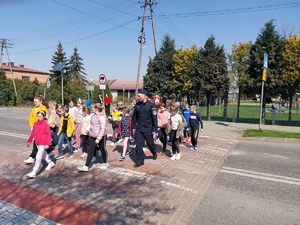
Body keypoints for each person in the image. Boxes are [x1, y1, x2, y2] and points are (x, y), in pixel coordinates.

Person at [78, 103, 108, 171]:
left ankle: (105, 162)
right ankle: (86, 166)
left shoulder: (102, 117)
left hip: (101, 136)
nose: (91, 109)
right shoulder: (92, 115)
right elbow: (91, 124)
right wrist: (89, 129)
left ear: (96, 109)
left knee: (102, 149)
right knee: (90, 150)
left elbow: (102, 129)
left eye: (93, 108)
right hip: (92, 135)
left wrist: (98, 138)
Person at [132, 89, 157, 167]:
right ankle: (140, 160)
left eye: (139, 95)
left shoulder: (151, 105)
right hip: (139, 128)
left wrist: (154, 129)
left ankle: (154, 151)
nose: (138, 97)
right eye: (138, 95)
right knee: (138, 145)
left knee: (150, 143)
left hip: (148, 128)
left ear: (144, 96)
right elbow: (134, 116)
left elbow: (154, 118)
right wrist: (134, 127)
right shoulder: (137, 105)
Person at [26, 110, 55, 178]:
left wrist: (47, 144)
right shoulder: (36, 123)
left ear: (44, 117)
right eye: (38, 116)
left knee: (38, 156)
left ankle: (34, 171)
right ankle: (50, 163)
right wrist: (29, 140)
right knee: (44, 155)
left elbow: (48, 134)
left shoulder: (45, 125)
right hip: (37, 142)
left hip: (43, 143)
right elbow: (33, 133)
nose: (39, 117)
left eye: (40, 116)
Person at [24, 96, 48, 164]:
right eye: (34, 102)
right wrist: (31, 126)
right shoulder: (34, 108)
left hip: (39, 128)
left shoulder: (43, 108)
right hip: (34, 127)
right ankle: (48, 154)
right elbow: (31, 117)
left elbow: (42, 119)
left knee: (37, 142)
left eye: (36, 102)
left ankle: (32, 157)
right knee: (38, 143)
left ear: (40, 101)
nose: (34, 103)